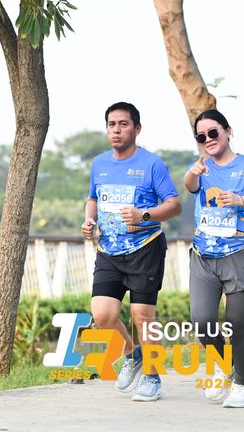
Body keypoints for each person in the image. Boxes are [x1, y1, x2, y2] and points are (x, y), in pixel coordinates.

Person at [82, 102, 182, 402]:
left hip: (145, 249)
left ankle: (152, 377)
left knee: (142, 316)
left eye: (123, 124)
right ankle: (132, 353)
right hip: (109, 251)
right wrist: (89, 221)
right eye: (111, 124)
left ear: (137, 129)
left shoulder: (152, 164)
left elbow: (174, 205)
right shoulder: (99, 164)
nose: (116, 130)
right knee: (102, 314)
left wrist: (144, 215)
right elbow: (93, 198)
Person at [184, 108, 244, 408]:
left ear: (228, 131)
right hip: (204, 256)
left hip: (242, 254)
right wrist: (192, 173)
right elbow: (189, 186)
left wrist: (241, 200)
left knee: (237, 324)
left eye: (213, 132)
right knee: (202, 321)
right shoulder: (201, 167)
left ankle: (241, 385)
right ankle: (223, 365)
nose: (208, 139)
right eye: (201, 136)